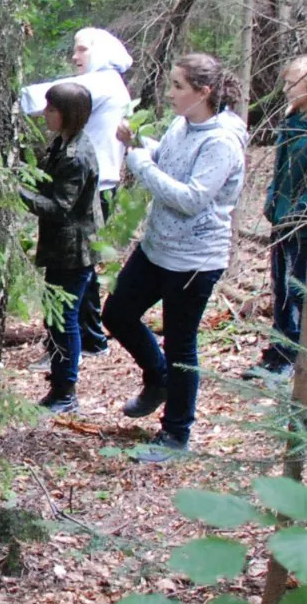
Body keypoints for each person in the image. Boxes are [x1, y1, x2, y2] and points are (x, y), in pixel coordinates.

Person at [104, 53, 247, 460]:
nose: (170, 94)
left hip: (195, 260)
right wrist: (139, 144)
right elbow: (168, 160)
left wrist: (140, 164)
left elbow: (192, 199)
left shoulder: (221, 141)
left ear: (203, 92)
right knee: (116, 314)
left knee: (181, 345)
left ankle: (175, 434)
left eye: (178, 87)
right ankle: (158, 379)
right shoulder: (183, 124)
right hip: (158, 248)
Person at [249, 55, 307, 384]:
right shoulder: (290, 122)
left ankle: (293, 355)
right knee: (280, 288)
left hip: (303, 225)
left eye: (291, 84)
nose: (285, 90)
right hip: (280, 221)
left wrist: (302, 208)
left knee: (297, 289)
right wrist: (272, 198)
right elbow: (280, 170)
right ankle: (276, 351)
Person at [20, 81, 98, 413]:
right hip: (62, 248)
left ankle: (66, 390)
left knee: (63, 320)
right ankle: (59, 386)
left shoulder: (76, 155)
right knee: (56, 319)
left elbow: (60, 207)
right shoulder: (61, 144)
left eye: (51, 109)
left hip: (74, 251)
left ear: (67, 114)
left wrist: (15, 191)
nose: (45, 114)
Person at [57, 28, 134, 355]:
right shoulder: (105, 83)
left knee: (76, 267)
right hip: (95, 186)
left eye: (82, 50)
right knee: (81, 264)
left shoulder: (102, 82)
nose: (75, 57)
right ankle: (89, 338)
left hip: (93, 189)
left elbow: (51, 96)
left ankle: (83, 340)